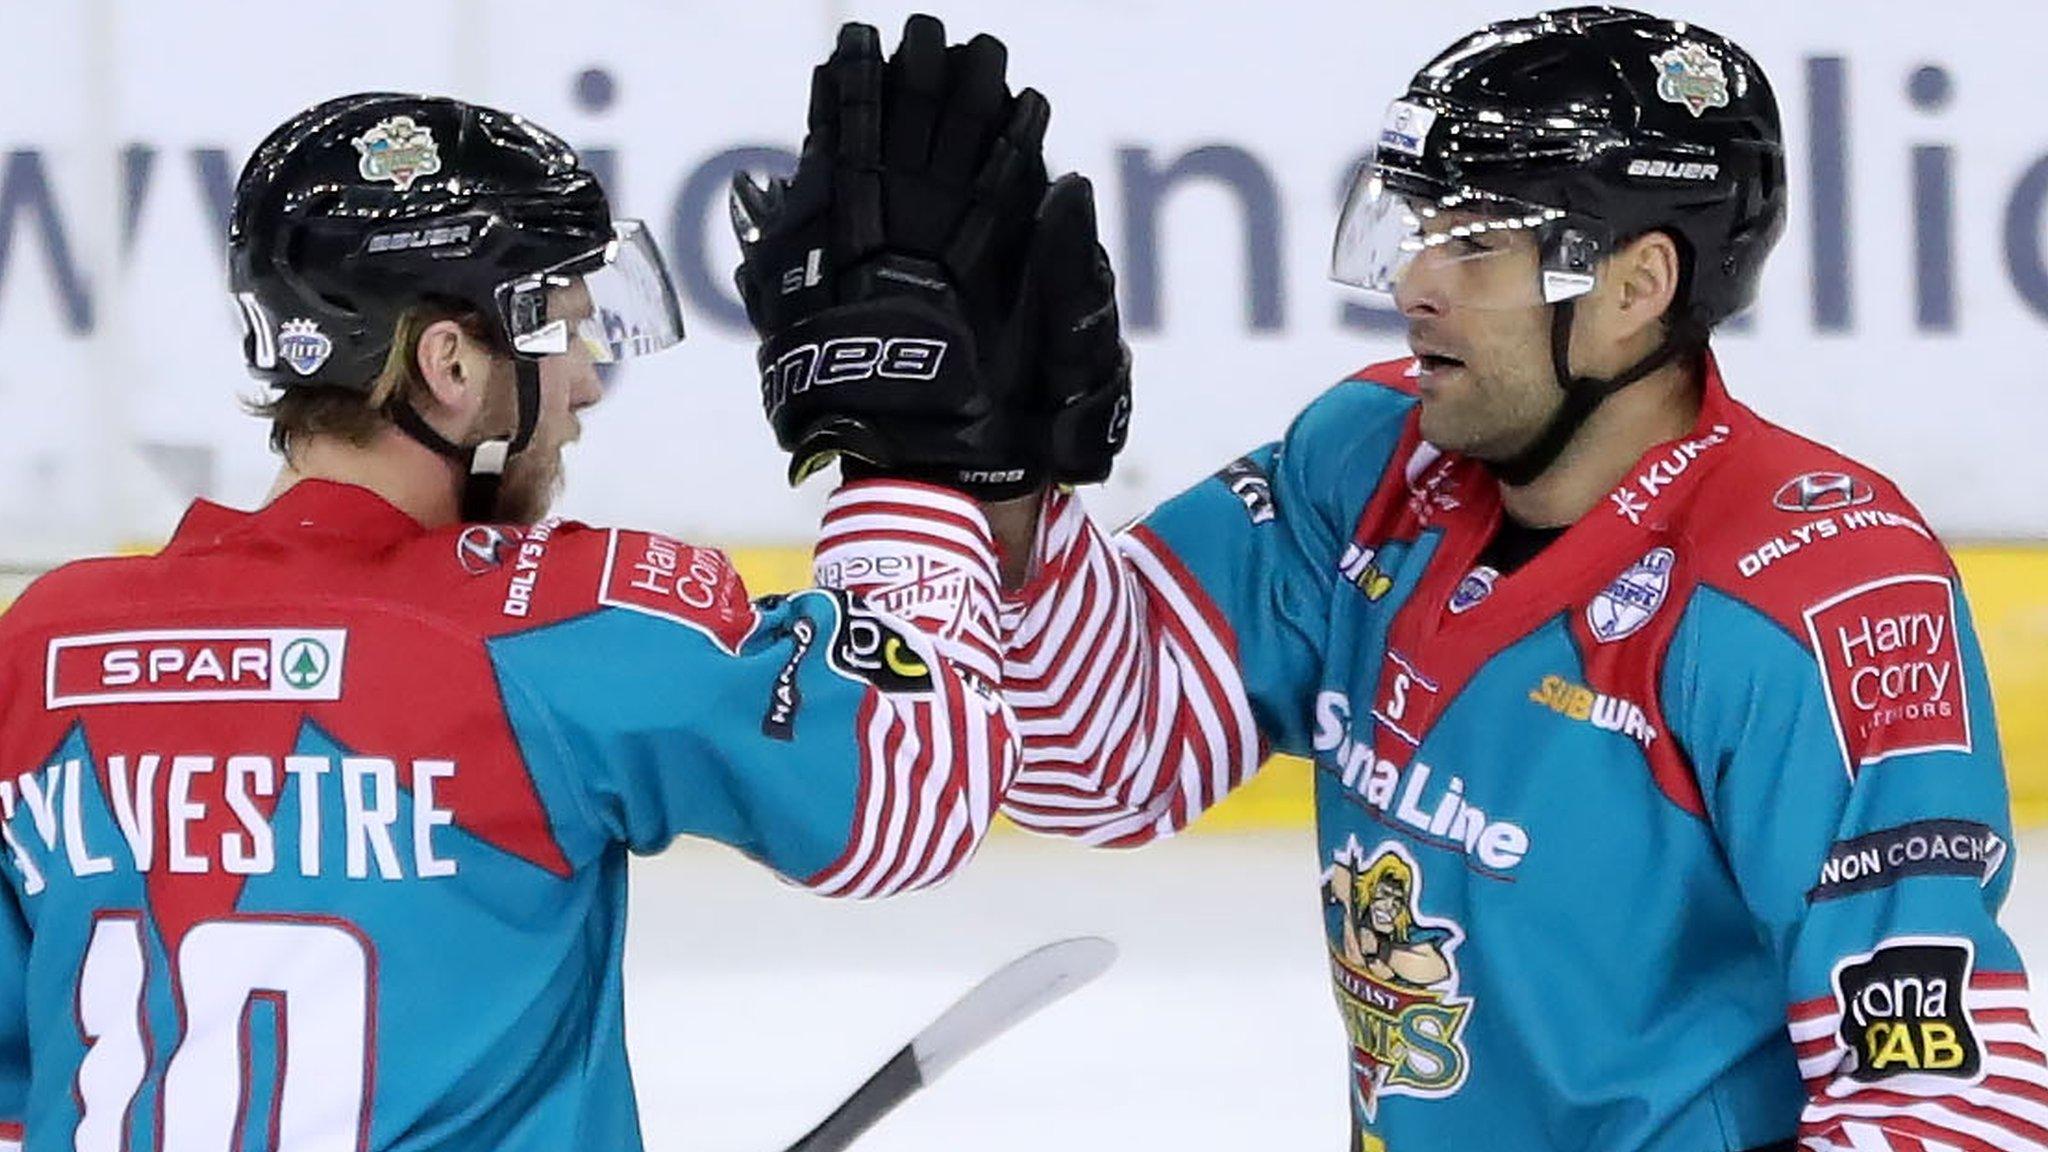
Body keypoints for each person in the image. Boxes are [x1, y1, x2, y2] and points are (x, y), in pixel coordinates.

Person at [739, 7, 2048, 1151]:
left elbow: (1941, 1102)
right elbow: (1109, 758)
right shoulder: (1369, 462)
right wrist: (989, 482)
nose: (1414, 285)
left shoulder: (1814, 593)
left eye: (1471, 245)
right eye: (1416, 232)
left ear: (1639, 285)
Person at [0, 87, 1034, 1151]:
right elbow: (913, 788)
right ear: (448, 365)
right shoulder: (565, 628)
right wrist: (907, 467)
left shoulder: (41, 646)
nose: (585, 383)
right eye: (565, 328)